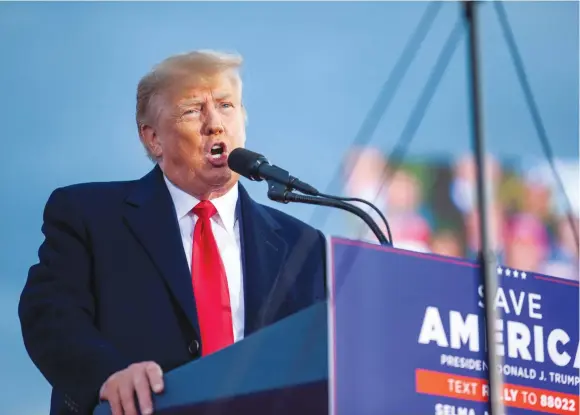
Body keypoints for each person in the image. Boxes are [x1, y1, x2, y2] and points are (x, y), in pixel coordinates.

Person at [18, 50, 327, 415]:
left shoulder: (304, 246)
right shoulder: (89, 215)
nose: (215, 123)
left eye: (226, 105)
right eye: (193, 110)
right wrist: (107, 376)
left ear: (243, 119)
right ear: (153, 139)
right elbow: (50, 314)